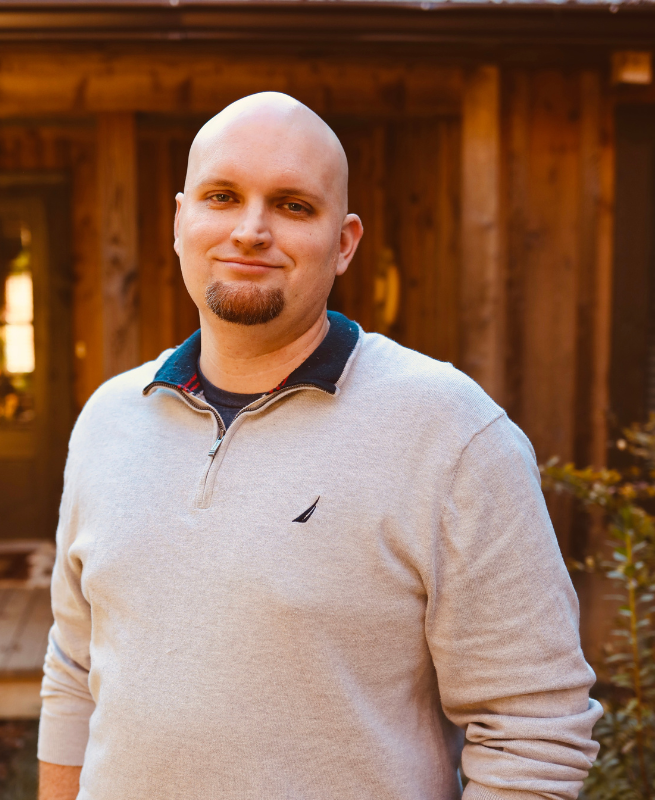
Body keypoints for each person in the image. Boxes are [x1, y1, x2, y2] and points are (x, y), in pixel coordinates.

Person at [38, 92, 601, 800]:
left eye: (292, 206)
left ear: (344, 243)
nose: (250, 230)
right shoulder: (107, 419)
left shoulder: (452, 433)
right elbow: (72, 668)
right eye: (222, 196)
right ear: (181, 221)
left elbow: (534, 730)